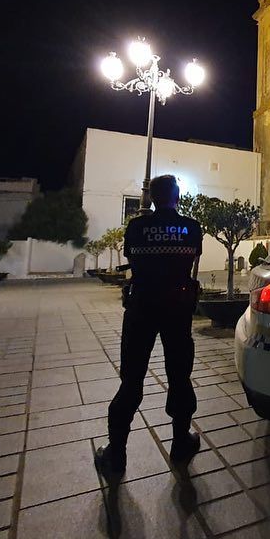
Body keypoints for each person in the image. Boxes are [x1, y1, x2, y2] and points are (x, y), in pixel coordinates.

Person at [95, 175, 203, 477]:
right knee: (180, 376)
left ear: (151, 198)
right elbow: (191, 262)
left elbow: (134, 259)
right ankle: (180, 442)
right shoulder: (191, 228)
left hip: (142, 307)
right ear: (177, 196)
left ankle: (116, 456)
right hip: (178, 309)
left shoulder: (137, 227)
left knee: (132, 380)